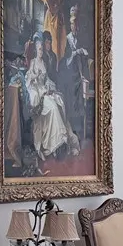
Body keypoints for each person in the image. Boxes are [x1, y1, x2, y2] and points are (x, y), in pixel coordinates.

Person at [24, 33, 79, 165]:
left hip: (46, 91)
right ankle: (55, 143)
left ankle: (61, 141)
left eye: (42, 49)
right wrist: (35, 77)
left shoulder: (43, 62)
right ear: (36, 50)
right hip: (39, 93)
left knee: (59, 102)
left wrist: (51, 87)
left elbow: (47, 80)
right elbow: (28, 80)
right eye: (39, 50)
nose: (41, 52)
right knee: (53, 107)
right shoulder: (33, 63)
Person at [61, 4, 89, 139]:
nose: (74, 27)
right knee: (71, 98)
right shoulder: (67, 39)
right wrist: (77, 51)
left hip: (77, 73)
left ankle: (78, 128)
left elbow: (81, 60)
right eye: (72, 24)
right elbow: (67, 59)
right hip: (69, 73)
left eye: (75, 24)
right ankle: (71, 128)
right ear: (70, 25)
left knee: (79, 100)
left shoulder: (79, 38)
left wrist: (82, 74)